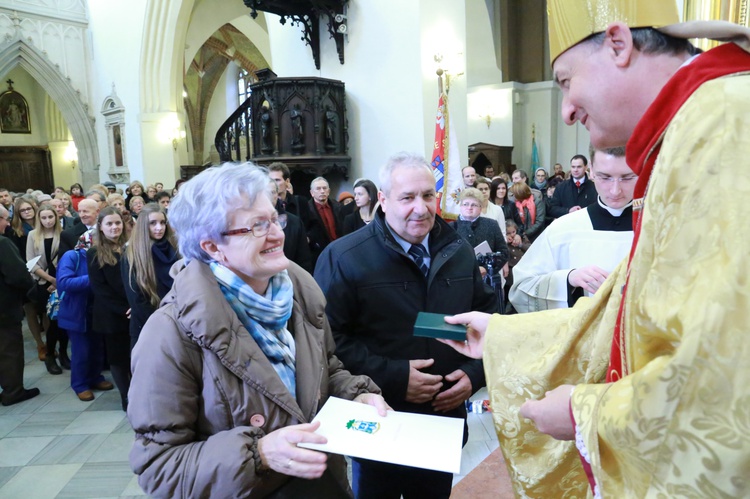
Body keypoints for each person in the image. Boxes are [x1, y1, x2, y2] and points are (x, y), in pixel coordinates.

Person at [440, 3, 750, 497]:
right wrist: (502, 335)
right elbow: (631, 315)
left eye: (564, 81)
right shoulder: (696, 127)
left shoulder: (725, 125)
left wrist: (584, 412)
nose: (565, 110)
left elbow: (728, 374)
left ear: (618, 43)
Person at [127, 163, 388, 498]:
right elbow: (159, 468)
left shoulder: (301, 296)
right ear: (211, 246)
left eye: (273, 218)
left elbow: (324, 370)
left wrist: (356, 395)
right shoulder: (171, 333)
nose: (278, 233)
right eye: (256, 226)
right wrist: (260, 455)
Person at [314, 152, 498, 499]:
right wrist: (395, 377)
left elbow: (489, 322)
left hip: (442, 422)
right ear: (382, 200)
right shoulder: (345, 257)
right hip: (381, 419)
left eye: (428, 195)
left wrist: (474, 375)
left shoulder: (458, 250)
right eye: (407, 197)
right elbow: (326, 340)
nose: (422, 207)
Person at [509, 147, 635, 313]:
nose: (615, 190)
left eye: (627, 178)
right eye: (605, 177)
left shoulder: (662, 231)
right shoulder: (563, 229)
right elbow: (520, 290)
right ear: (591, 171)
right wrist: (568, 280)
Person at [56, 219, 114, 402]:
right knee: (82, 351)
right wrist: (94, 279)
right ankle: (80, 384)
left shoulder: (102, 256)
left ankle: (96, 378)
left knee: (97, 347)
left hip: (96, 310)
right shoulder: (71, 256)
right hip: (76, 312)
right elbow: (63, 282)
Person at [87, 207, 131, 411]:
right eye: (109, 224)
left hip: (135, 310)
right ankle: (126, 396)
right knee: (118, 358)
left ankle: (140, 393)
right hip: (112, 314)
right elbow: (100, 289)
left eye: (117, 223)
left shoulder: (130, 247)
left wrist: (136, 305)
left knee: (136, 355)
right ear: (101, 228)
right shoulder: (95, 253)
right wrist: (124, 309)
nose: (114, 227)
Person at [122, 203, 179, 349]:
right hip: (148, 324)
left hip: (178, 320)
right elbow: (136, 299)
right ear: (143, 226)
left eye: (162, 223)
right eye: (152, 223)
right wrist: (161, 323)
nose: (159, 228)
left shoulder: (175, 249)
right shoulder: (132, 254)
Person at [0, 204, 40, 406]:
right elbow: (18, 276)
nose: (7, 223)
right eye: (5, 219)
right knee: (9, 350)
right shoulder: (2, 243)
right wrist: (30, 285)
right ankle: (13, 391)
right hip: (4, 308)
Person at [26, 203, 69, 374]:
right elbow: (30, 262)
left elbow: (67, 257)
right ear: (39, 219)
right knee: (52, 322)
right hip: (44, 284)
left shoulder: (63, 234)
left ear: (56, 217)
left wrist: (59, 280)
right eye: (43, 217)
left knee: (64, 320)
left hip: (62, 281)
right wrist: (50, 279)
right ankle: (50, 355)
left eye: (50, 217)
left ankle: (64, 354)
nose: (47, 221)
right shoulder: (32, 235)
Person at [306, 176, 343, 268]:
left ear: (329, 191)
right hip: (318, 254)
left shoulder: (338, 207)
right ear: (312, 193)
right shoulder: (306, 209)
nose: (322, 191)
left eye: (324, 188)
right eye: (318, 189)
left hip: (339, 250)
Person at [548, 154, 597, 219]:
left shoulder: (594, 187)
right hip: (567, 225)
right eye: (573, 167)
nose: (575, 170)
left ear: (585, 167)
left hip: (587, 225)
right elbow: (552, 209)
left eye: (579, 167)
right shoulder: (561, 187)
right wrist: (568, 211)